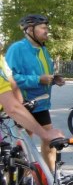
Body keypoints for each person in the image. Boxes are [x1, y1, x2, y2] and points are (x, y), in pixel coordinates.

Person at [0, 55, 64, 185]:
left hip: (37, 105)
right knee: (23, 147)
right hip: (21, 106)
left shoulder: (41, 51)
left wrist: (21, 105)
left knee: (20, 149)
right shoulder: (18, 49)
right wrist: (44, 133)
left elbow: (12, 84)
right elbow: (13, 98)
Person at [6, 14, 65, 172]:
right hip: (24, 103)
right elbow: (9, 78)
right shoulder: (17, 49)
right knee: (25, 145)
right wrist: (38, 79)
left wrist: (53, 79)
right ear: (30, 30)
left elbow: (43, 75)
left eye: (47, 28)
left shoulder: (43, 50)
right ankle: (24, 180)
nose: (47, 31)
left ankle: (51, 178)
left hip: (41, 104)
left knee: (50, 140)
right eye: (43, 28)